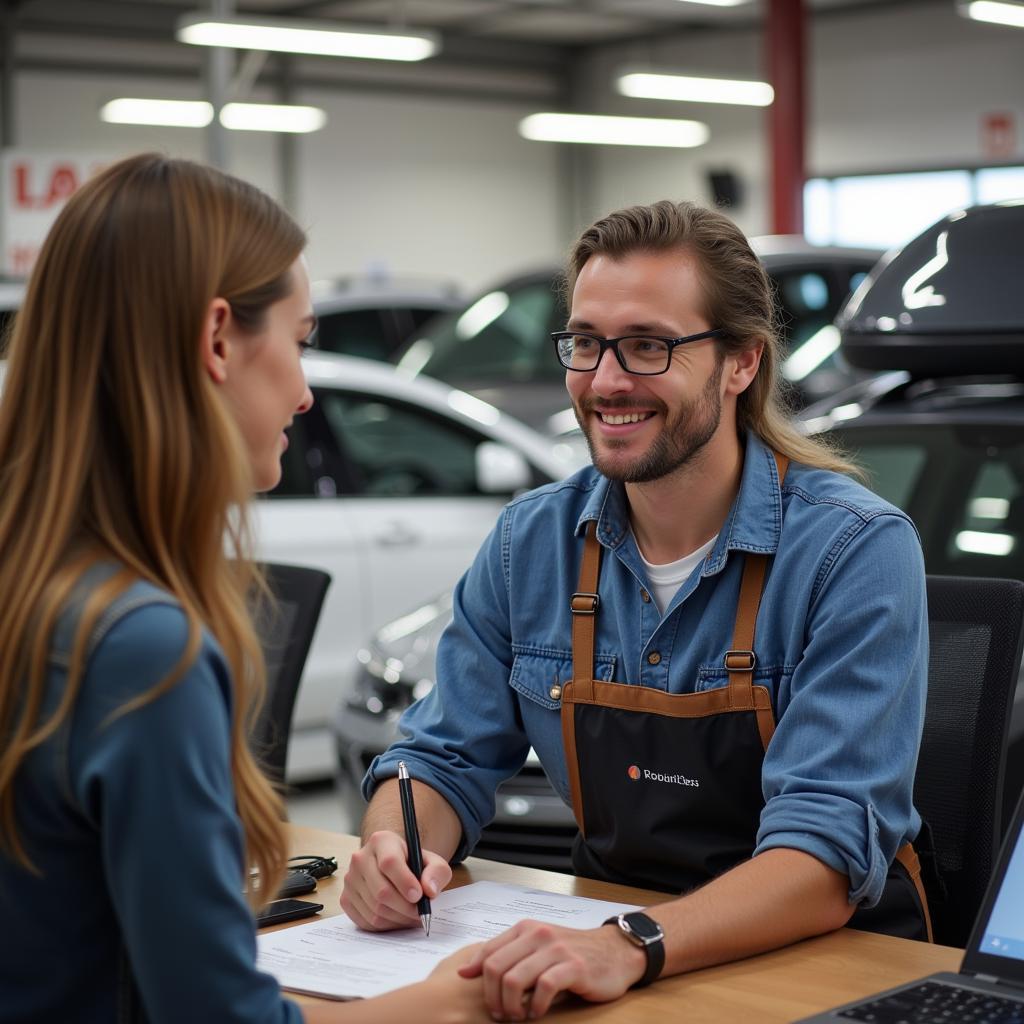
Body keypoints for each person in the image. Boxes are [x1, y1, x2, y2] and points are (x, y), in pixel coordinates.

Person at [343, 200, 931, 1020]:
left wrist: (628, 944)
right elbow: (439, 760)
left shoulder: (853, 551)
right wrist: (393, 851)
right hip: (611, 964)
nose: (606, 381)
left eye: (648, 346)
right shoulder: (530, 544)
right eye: (585, 343)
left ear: (740, 364)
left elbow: (824, 854)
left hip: (822, 973)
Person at [0, 153, 486, 1024]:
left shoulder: (36, 589)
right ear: (218, 338)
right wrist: (455, 998)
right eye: (299, 344)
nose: (304, 392)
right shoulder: (142, 649)